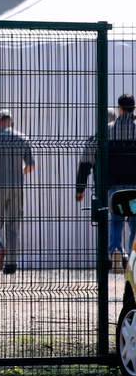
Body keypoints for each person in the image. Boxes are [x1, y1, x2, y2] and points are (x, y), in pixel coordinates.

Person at [77, 93, 136, 271]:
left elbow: (86, 159)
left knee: (116, 221)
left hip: (113, 186)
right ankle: (134, 256)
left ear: (119, 109)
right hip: (135, 185)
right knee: (134, 223)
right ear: (134, 109)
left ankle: (116, 251)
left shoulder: (106, 131)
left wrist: (80, 187)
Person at [0, 110, 34, 275]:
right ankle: (11, 265)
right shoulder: (22, 138)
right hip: (16, 188)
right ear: (11, 122)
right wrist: (18, 170)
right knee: (13, 226)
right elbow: (30, 166)